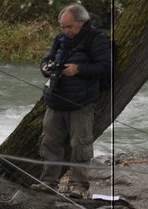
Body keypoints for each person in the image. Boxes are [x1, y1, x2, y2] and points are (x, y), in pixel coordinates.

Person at [37, 3, 111, 196]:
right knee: (50, 143)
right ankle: (49, 182)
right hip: (55, 100)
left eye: (69, 26)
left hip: (81, 103)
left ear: (81, 22)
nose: (65, 31)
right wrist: (46, 67)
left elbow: (105, 68)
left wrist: (78, 70)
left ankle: (79, 186)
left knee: (80, 146)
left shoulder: (97, 39)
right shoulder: (60, 39)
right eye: (63, 26)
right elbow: (47, 58)